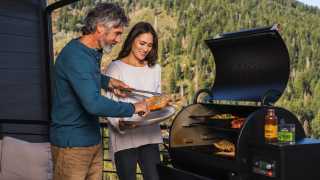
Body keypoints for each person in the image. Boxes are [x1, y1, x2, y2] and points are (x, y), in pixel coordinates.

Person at [50, 3, 149, 180]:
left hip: (92, 141)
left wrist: (109, 82)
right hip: (72, 146)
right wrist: (133, 108)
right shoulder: (76, 56)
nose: (118, 39)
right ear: (100, 28)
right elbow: (93, 104)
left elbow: (86, 76)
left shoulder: (91, 51)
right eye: (117, 33)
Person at [104, 22, 162, 180]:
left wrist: (163, 106)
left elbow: (157, 100)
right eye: (142, 43)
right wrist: (120, 123)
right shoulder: (115, 68)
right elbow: (110, 105)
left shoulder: (155, 69)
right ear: (131, 41)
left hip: (149, 136)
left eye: (150, 45)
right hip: (124, 139)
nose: (145, 49)